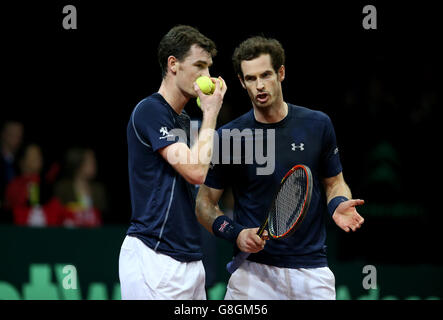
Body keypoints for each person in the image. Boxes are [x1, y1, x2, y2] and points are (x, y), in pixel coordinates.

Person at [195, 36, 365, 300]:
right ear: (241, 82)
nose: (260, 85)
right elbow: (204, 203)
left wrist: (337, 203)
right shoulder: (229, 136)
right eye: (251, 79)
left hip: (312, 273)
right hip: (252, 275)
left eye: (266, 75)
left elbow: (334, 182)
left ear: (281, 73)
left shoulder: (317, 125)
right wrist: (236, 234)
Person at [118, 25, 227, 300]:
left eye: (209, 68)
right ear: (173, 64)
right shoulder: (150, 110)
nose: (207, 77)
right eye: (199, 66)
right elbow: (195, 172)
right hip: (154, 256)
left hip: (190, 259)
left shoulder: (183, 121)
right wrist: (212, 113)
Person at [4, 143, 64, 226]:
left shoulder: (46, 184)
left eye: (38, 155)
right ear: (22, 161)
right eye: (33, 156)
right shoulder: (14, 185)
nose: (38, 159)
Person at [54, 147, 107, 227]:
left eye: (94, 161)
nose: (94, 164)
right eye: (89, 162)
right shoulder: (64, 188)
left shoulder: (98, 189)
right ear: (78, 164)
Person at [0, 120, 24, 222]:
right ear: (3, 134)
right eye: (12, 134)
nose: (16, 139)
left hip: (16, 216)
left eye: (19, 135)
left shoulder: (21, 162)